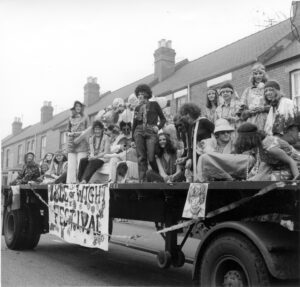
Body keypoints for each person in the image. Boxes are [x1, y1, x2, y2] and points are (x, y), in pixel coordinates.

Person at [132, 84, 166, 182]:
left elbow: (163, 119)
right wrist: (132, 139)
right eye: (138, 94)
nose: (140, 96)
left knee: (151, 158)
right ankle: (143, 181)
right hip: (139, 131)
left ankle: (158, 177)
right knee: (141, 158)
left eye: (141, 93)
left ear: (147, 94)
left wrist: (158, 127)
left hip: (151, 131)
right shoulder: (137, 108)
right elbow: (134, 124)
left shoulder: (154, 104)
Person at [177, 103, 215, 181]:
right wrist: (188, 158)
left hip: (206, 154)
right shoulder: (191, 125)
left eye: (186, 114)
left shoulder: (204, 121)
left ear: (191, 113)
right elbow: (191, 145)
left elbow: (216, 132)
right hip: (196, 156)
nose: (185, 118)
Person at [240, 63, 269, 130]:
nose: (258, 76)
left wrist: (264, 109)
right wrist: (248, 112)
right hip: (251, 121)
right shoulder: (247, 91)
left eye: (260, 73)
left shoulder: (268, 89)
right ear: (253, 76)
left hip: (266, 120)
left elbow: (275, 105)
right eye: (255, 74)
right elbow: (241, 111)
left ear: (264, 75)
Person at [66, 101, 89, 183]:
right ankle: (70, 182)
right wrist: (69, 134)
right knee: (71, 164)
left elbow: (88, 130)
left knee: (81, 162)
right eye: (76, 106)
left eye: (79, 106)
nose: (78, 108)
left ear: (81, 108)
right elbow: (67, 130)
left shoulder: (85, 117)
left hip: (81, 141)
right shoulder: (70, 118)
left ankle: (81, 181)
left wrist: (79, 133)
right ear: (74, 108)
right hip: (72, 141)